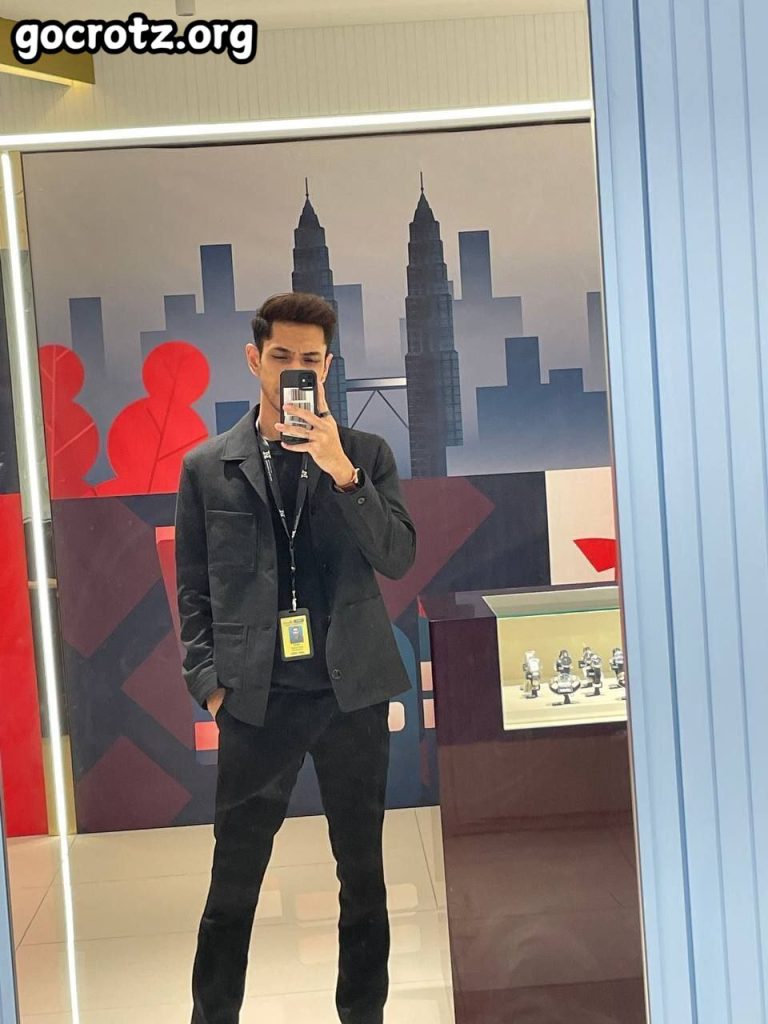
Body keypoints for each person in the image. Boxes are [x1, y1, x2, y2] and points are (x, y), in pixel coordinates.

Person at [174, 291, 417, 1024]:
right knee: (232, 885)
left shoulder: (365, 456)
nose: (294, 371)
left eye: (310, 359)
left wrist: (342, 473)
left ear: (328, 367)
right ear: (255, 360)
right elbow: (192, 588)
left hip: (351, 695)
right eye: (281, 356)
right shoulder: (208, 466)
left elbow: (397, 557)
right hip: (256, 699)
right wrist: (208, 683)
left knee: (363, 879)